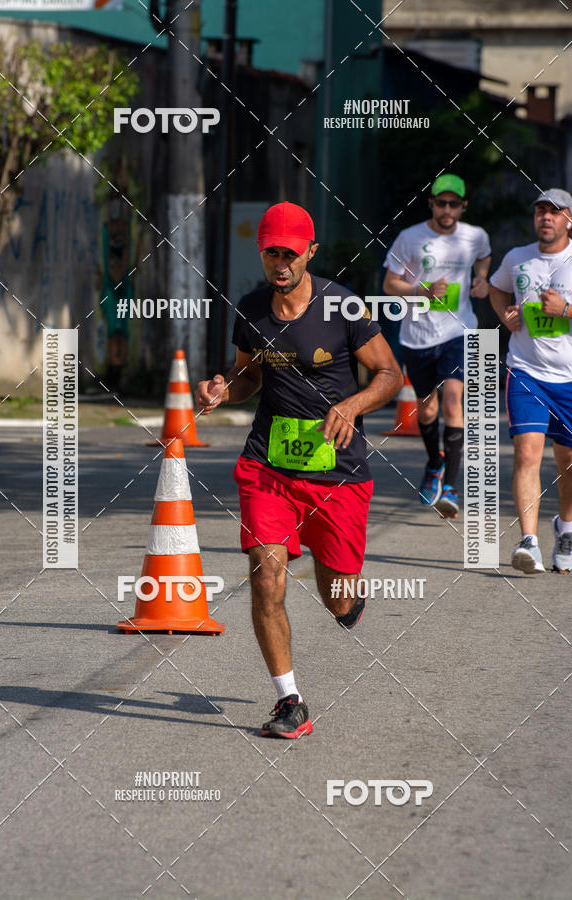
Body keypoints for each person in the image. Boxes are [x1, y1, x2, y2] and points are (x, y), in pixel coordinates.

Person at [195, 201, 403, 738]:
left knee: (336, 596)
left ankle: (347, 599)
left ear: (310, 251)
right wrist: (224, 388)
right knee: (267, 574)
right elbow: (248, 377)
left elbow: (389, 374)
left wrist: (353, 406)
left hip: (339, 474)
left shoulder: (345, 308)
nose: (281, 262)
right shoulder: (251, 309)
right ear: (261, 253)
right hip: (268, 465)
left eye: (291, 252)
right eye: (271, 252)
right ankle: (291, 701)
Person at [382, 174, 492, 518]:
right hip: (417, 336)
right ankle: (434, 464)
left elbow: (484, 255)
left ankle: (452, 486)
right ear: (431, 204)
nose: (447, 209)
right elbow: (388, 284)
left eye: (453, 204)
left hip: (458, 332)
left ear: (463, 206)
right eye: (441, 203)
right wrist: (421, 293)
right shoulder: (410, 238)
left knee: (454, 400)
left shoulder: (475, 236)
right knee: (427, 410)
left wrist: (482, 278)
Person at [489, 188, 572, 574]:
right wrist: (504, 316)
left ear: (568, 220)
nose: (546, 218)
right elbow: (496, 287)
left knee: (568, 460)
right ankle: (529, 542)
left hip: (570, 378)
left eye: (554, 212)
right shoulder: (517, 258)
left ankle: (566, 529)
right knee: (526, 454)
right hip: (526, 371)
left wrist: (566, 309)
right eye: (540, 210)